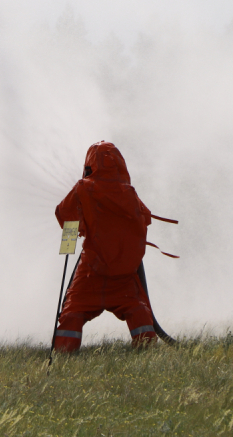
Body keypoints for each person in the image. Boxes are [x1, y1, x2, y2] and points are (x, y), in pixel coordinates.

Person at [53, 142, 157, 351]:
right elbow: (145, 218)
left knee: (73, 312)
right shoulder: (129, 192)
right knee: (138, 310)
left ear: (91, 164)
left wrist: (70, 242)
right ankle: (148, 352)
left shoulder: (84, 187)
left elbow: (65, 214)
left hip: (92, 272)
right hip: (124, 274)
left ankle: (65, 354)